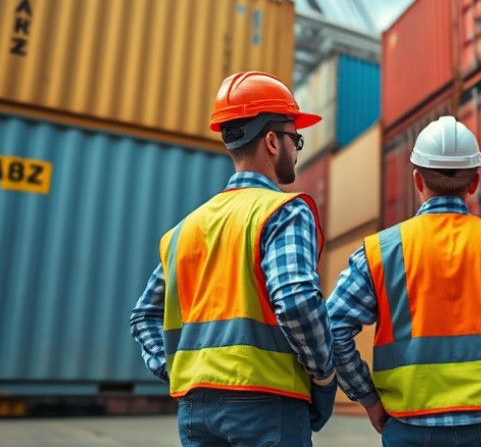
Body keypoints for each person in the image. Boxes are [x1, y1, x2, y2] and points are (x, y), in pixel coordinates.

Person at [326, 116, 481, 446]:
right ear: (473, 183)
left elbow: (331, 328)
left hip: (409, 429)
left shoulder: (379, 252)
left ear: (418, 180)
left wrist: (368, 399)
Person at [130, 71, 337, 447]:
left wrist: (176, 367)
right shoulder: (284, 211)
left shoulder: (183, 231)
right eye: (296, 138)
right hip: (267, 403)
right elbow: (294, 301)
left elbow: (143, 315)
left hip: (195, 409)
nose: (297, 148)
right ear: (273, 141)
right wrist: (323, 374)